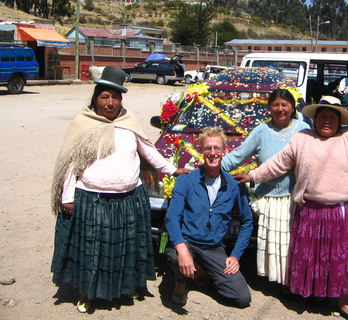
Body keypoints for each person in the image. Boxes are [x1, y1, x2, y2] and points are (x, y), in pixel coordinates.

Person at [50, 66, 189, 313]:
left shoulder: (129, 123)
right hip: (92, 200)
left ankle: (123, 289)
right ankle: (87, 293)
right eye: (105, 97)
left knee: (123, 250)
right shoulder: (84, 123)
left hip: (128, 199)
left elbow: (149, 152)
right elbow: (70, 163)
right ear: (95, 98)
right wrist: (68, 196)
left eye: (116, 97)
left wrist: (172, 170)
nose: (111, 102)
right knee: (92, 252)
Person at [235, 96, 348, 320]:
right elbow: (279, 163)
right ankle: (313, 292)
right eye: (322, 117)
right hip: (309, 209)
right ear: (314, 120)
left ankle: (343, 301)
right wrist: (252, 175)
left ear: (339, 121)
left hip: (341, 210)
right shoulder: (303, 138)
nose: (326, 121)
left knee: (341, 258)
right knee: (312, 257)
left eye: (331, 117)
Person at [221, 88, 309, 291]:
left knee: (291, 243)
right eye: (275, 105)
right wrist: (210, 168)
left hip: (294, 198)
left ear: (292, 107)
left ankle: (292, 283)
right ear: (269, 108)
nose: (280, 109)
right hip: (269, 197)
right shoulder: (262, 131)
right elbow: (238, 155)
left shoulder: (303, 129)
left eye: (284, 105)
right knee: (274, 245)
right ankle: (278, 282)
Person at [164, 126, 253, 308]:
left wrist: (235, 256)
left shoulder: (234, 185)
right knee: (174, 256)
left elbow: (247, 222)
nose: (212, 153)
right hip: (188, 242)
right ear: (201, 150)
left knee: (242, 298)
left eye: (217, 148)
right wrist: (181, 249)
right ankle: (181, 281)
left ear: (224, 151)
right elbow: (172, 217)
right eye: (208, 148)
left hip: (214, 248)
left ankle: (203, 271)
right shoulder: (187, 180)